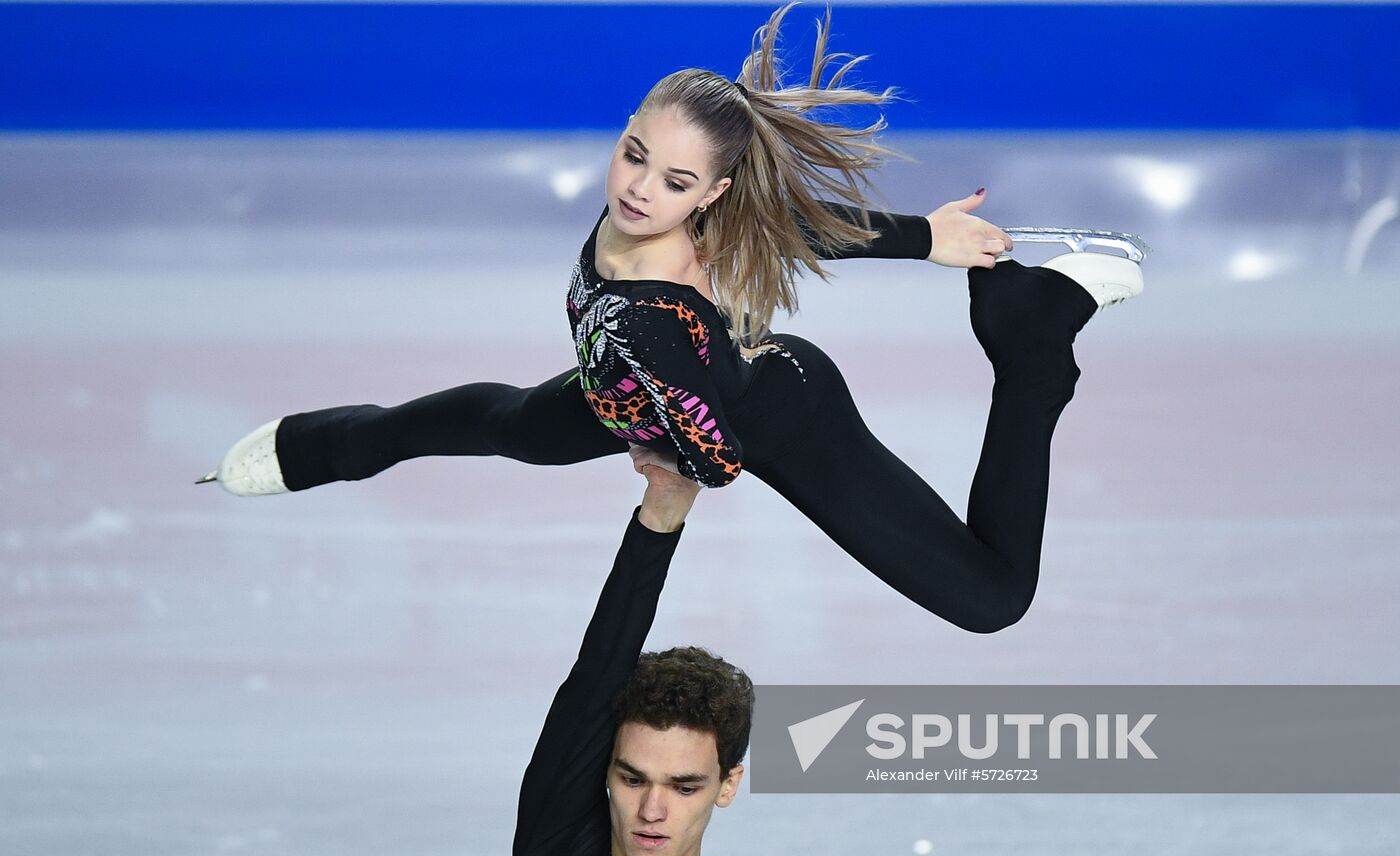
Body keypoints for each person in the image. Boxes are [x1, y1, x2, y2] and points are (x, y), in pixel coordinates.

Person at [200, 3, 1139, 634]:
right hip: (632, 391)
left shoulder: (657, 313)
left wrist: (668, 467)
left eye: (676, 181)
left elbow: (716, 459)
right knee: (495, 423)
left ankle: (1034, 342)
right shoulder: (672, 227)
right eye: (634, 154)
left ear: (713, 191)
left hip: (773, 413)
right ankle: (315, 446)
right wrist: (924, 239)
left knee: (991, 598)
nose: (642, 190)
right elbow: (793, 226)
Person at [510, 462, 791, 856]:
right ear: (604, 771)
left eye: (684, 788)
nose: (651, 811)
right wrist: (660, 514)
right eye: (632, 779)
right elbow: (596, 677)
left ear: (727, 784)